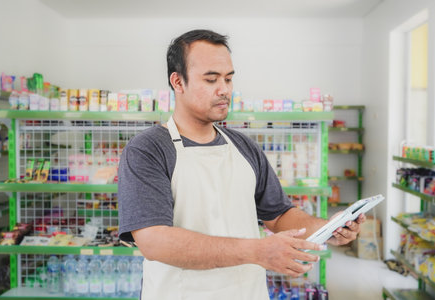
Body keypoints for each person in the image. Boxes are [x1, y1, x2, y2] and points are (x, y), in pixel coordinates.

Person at [118, 29, 365, 300]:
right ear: (178, 82)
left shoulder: (243, 147)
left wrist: (327, 228)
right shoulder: (148, 149)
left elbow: (280, 215)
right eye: (211, 79)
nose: (224, 90)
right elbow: (155, 241)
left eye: (228, 79)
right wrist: (257, 251)